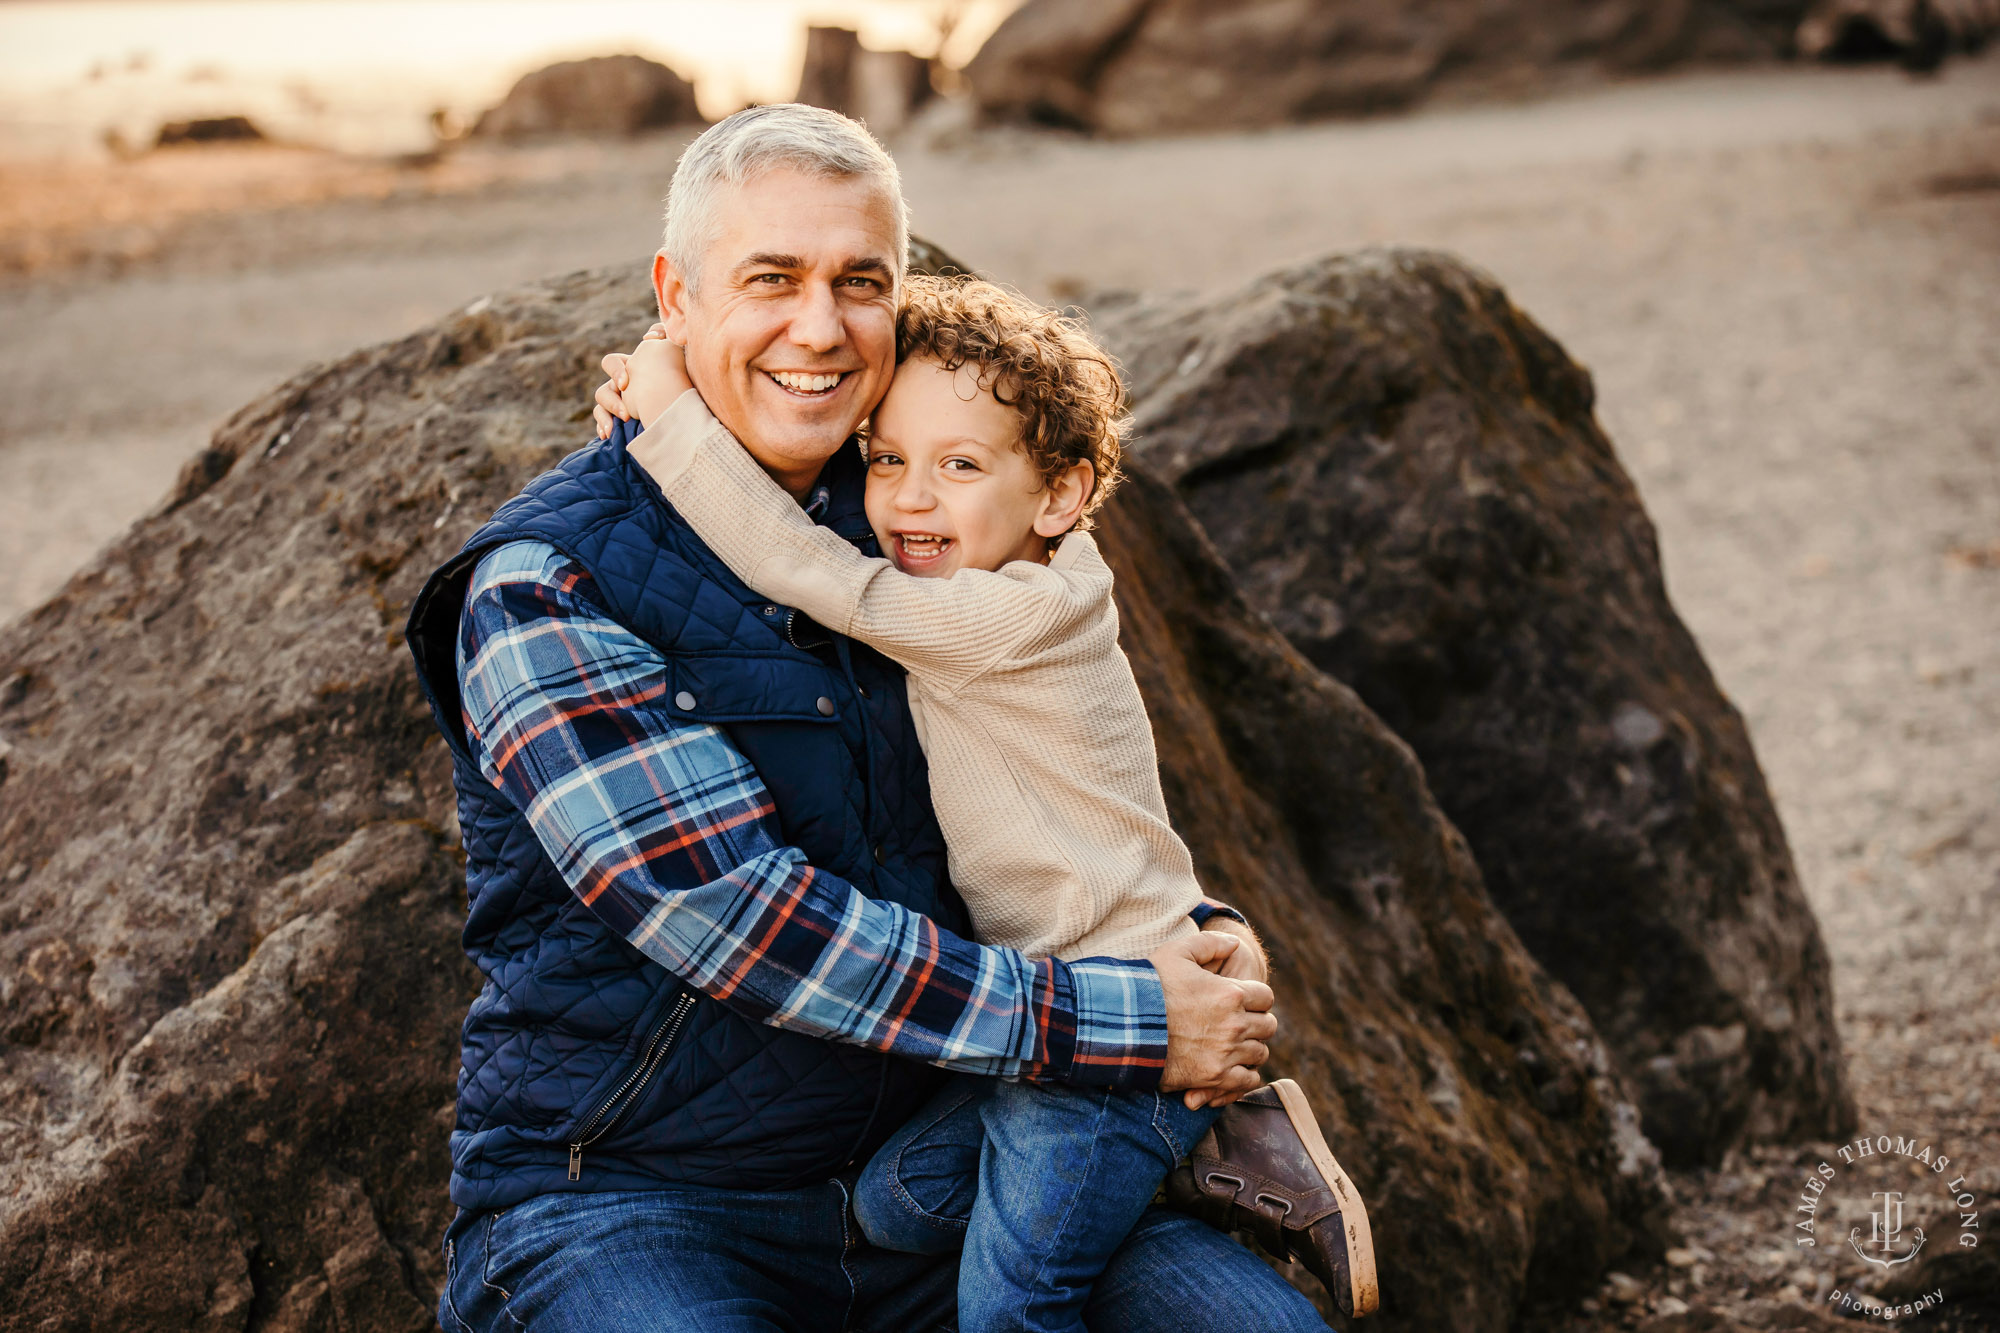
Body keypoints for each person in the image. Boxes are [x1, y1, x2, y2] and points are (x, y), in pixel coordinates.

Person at [404, 102, 1333, 1331]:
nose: (819, 326)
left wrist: (1201, 941)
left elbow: (1054, 754)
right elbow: (735, 921)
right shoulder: (547, 584)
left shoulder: (917, 506)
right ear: (674, 299)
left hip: (951, 1146)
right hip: (632, 1196)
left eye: (860, 282)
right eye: (770, 280)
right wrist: (1132, 1018)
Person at [596, 274, 1379, 1329]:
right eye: (885, 460)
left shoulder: (1002, 614)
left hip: (1122, 1027)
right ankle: (1201, 1153)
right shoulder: (1016, 556)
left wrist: (669, 421)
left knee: (1014, 1301)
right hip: (1048, 1010)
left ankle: (1167, 1139)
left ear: (1058, 495)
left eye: (957, 466)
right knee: (898, 1204)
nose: (909, 499)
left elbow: (803, 566)